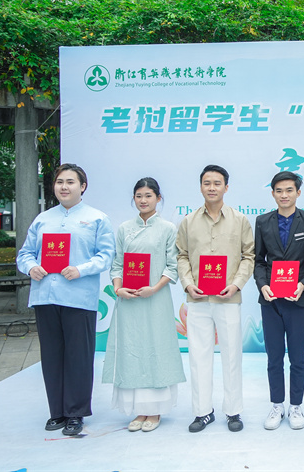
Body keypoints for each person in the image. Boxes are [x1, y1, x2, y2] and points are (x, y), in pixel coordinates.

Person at [16, 163, 115, 436]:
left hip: (78, 297)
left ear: (82, 187)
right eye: (60, 181)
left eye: (70, 182)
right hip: (45, 296)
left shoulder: (97, 218)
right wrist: (31, 267)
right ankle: (57, 412)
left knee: (78, 357)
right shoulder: (43, 219)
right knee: (51, 356)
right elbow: (25, 253)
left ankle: (75, 413)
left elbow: (106, 255)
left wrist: (81, 269)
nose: (64, 186)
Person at [102, 177, 186, 432]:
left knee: (155, 347)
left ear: (158, 199)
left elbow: (172, 266)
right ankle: (139, 409)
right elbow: (117, 264)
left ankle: (155, 410)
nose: (143, 200)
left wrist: (154, 288)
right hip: (128, 301)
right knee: (132, 349)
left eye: (148, 195)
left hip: (155, 299)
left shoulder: (168, 229)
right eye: (139, 196)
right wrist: (118, 288)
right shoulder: (124, 229)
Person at [176, 165, 255, 433]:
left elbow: (249, 256)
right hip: (197, 300)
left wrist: (236, 284)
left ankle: (233, 411)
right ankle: (202, 412)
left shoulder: (240, 220)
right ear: (200, 187)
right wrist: (188, 283)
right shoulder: (188, 221)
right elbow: (181, 255)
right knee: (199, 357)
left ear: (226, 187)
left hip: (228, 299)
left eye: (217, 183)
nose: (212, 188)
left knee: (232, 356)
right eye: (207, 183)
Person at [253, 172, 304, 431]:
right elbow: (259, 261)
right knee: (274, 357)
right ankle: (277, 405)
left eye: (289, 190)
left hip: (298, 300)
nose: (284, 195)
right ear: (272, 193)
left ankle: (296, 406)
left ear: (298, 193)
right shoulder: (262, 221)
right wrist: (263, 285)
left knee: (298, 357)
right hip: (271, 300)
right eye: (279, 190)